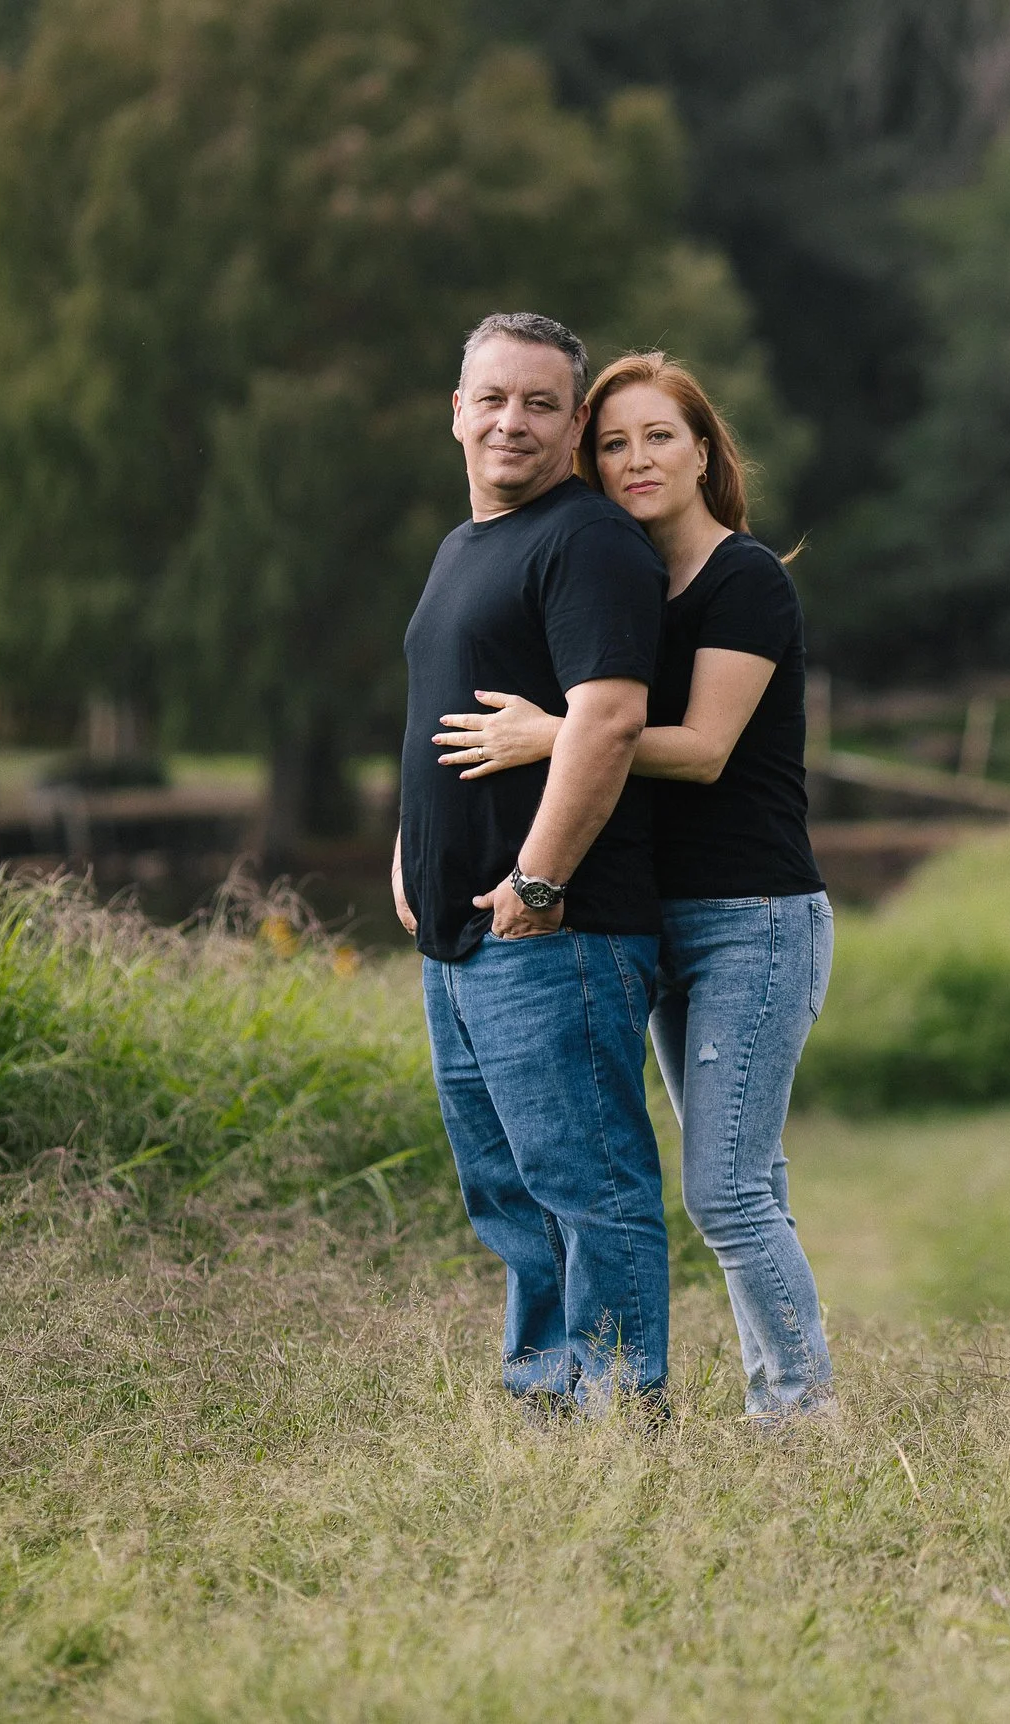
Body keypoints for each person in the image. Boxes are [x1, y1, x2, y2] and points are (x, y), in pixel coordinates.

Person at [433, 352, 835, 1421]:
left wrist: (550, 733)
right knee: (747, 1183)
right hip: (665, 917)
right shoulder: (627, 586)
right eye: (611, 442)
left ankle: (800, 1414)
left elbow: (702, 748)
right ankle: (777, 1393)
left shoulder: (744, 578)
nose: (635, 459)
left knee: (727, 1188)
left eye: (659, 435)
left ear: (703, 449)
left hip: (754, 916)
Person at [394, 312, 670, 1414]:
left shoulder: (587, 541)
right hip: (462, 937)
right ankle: (545, 1401)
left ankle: (619, 1416)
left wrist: (538, 882)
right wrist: (409, 851)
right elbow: (432, 715)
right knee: (508, 1194)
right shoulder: (464, 547)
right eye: (493, 398)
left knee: (588, 1187)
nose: (512, 421)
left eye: (541, 403)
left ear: (572, 425)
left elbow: (606, 721)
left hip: (558, 929)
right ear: (455, 411)